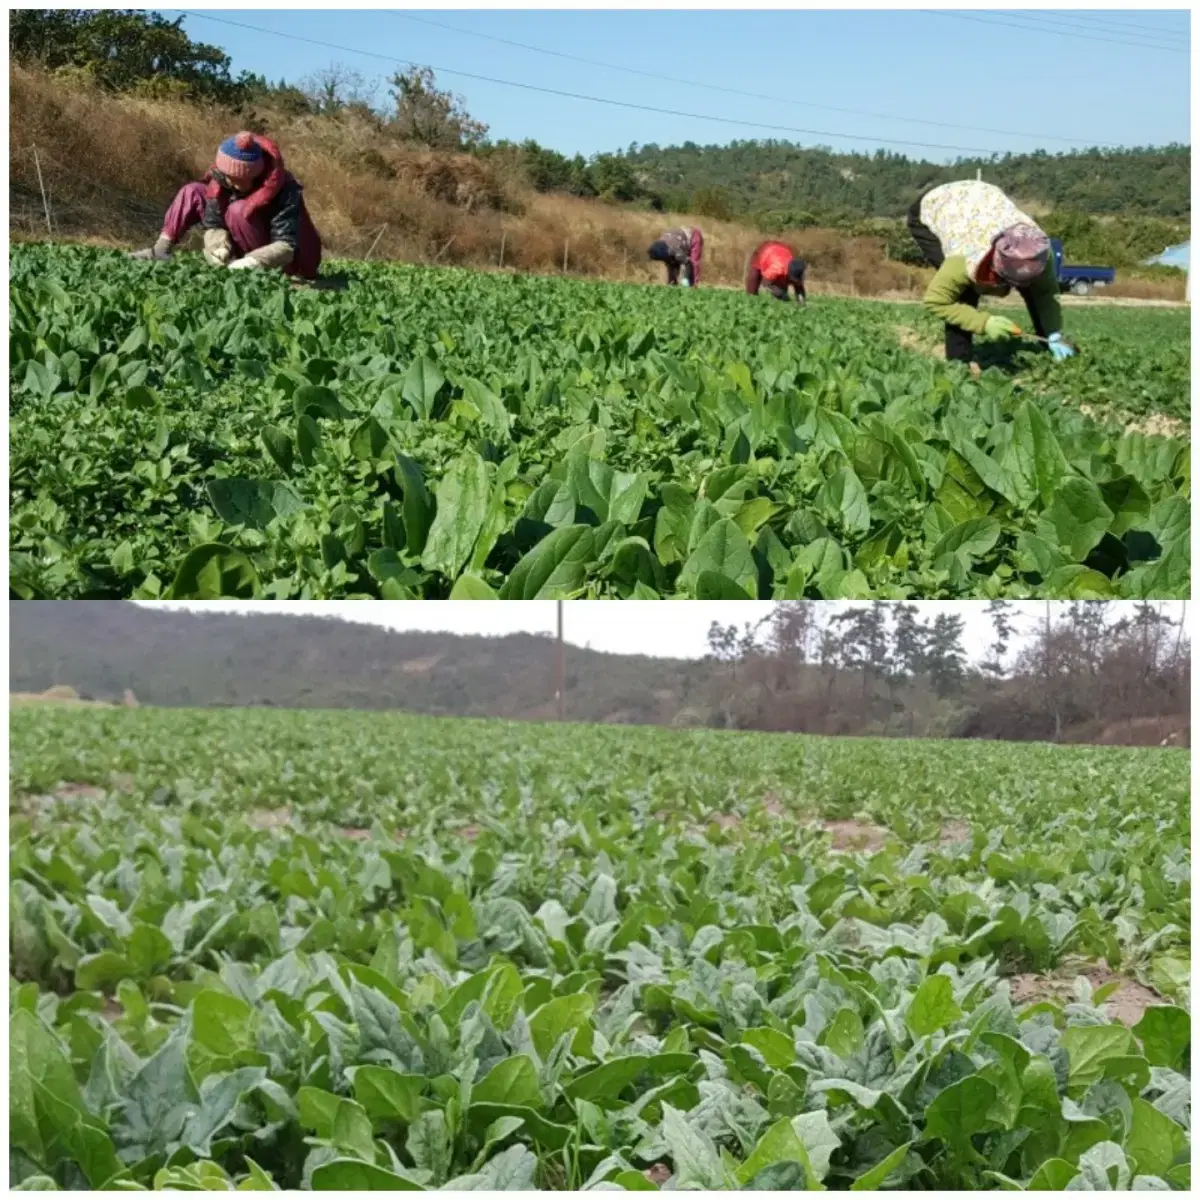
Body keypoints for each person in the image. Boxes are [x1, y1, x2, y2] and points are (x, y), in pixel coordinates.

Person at [908, 179, 1074, 365]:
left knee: (1034, 289)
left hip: (983, 198)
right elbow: (936, 301)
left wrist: (1054, 332)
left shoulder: (1039, 251)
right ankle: (958, 364)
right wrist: (983, 322)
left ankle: (1048, 347)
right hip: (935, 206)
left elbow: (1045, 293)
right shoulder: (963, 260)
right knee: (964, 292)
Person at [129, 132, 322, 279]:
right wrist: (219, 248)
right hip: (241, 243)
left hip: (290, 260)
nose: (234, 184)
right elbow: (214, 224)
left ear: (256, 173)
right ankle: (161, 250)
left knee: (239, 210)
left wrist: (252, 262)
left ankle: (247, 266)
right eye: (230, 178)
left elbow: (286, 245)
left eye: (241, 179)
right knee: (193, 191)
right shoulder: (221, 179)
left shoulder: (284, 188)